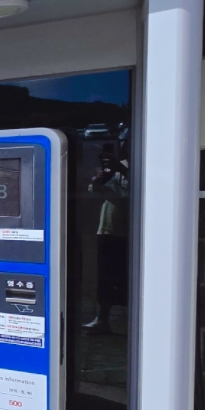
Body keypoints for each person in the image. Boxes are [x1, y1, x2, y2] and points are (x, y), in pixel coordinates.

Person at [83, 134, 130, 335]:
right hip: (106, 229)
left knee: (123, 277)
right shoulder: (114, 168)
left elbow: (130, 198)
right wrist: (97, 182)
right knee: (104, 276)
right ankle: (102, 319)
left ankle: (131, 320)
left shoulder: (135, 167)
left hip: (126, 232)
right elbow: (95, 196)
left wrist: (120, 173)